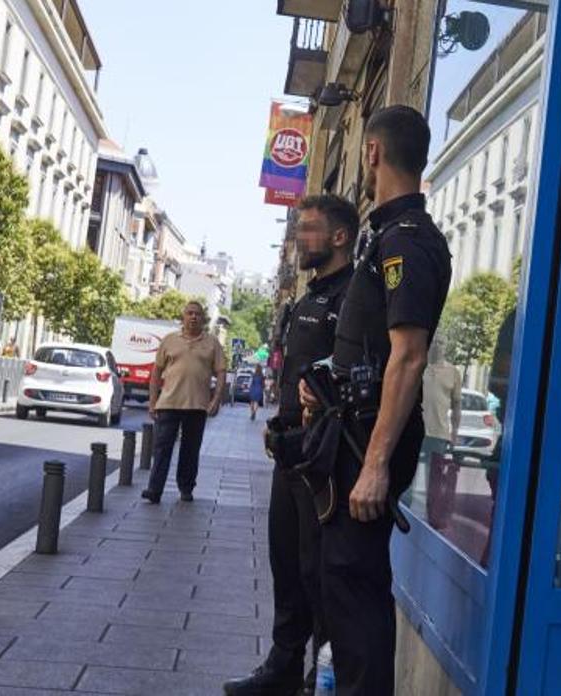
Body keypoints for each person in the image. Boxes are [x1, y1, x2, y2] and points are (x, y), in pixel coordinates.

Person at [300, 105, 451, 695]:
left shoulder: (407, 240)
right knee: (341, 582)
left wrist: (374, 466)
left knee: (354, 584)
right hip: (350, 436)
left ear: (372, 154)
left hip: (368, 445)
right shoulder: (385, 234)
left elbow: (408, 356)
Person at [225, 194, 358, 696]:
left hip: (323, 459)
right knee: (286, 562)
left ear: (339, 236)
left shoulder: (353, 296)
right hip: (289, 452)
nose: (299, 239)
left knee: (316, 570)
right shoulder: (308, 295)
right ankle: (281, 667)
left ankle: (316, 677)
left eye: (309, 229)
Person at [142, 301, 226, 504]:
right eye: (189, 313)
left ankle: (186, 488)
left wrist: (216, 399)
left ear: (203, 319)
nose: (193, 317)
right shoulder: (170, 340)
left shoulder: (212, 343)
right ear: (183, 317)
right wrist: (152, 401)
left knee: (190, 449)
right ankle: (154, 489)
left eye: (197, 314)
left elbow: (221, 373)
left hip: (197, 405)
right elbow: (156, 373)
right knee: (162, 448)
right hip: (169, 403)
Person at [421, 340, 461, 530]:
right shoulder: (420, 366)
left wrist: (455, 434)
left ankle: (433, 519)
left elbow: (457, 406)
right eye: (435, 342)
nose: (438, 346)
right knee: (406, 472)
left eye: (442, 343)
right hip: (418, 431)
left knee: (434, 478)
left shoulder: (453, 372)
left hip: (439, 434)